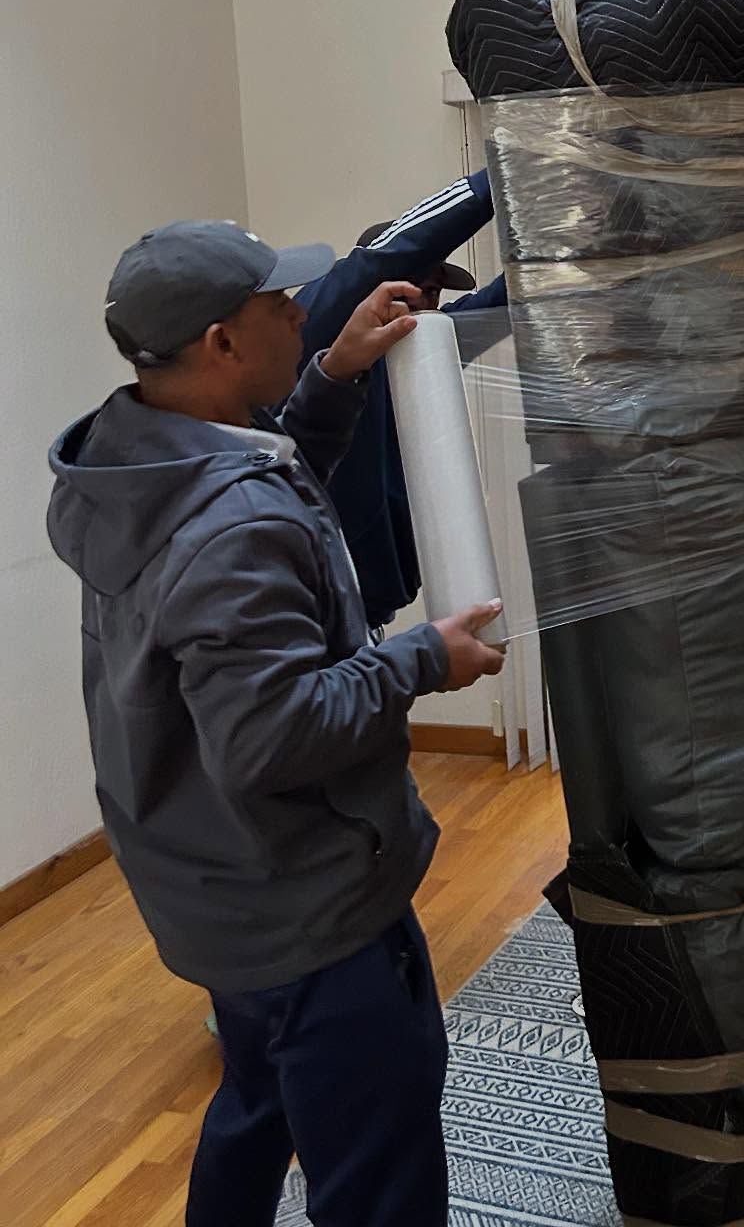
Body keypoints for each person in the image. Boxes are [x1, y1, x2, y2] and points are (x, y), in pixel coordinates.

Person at [47, 219, 506, 1227]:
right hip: (304, 905)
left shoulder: (133, 460)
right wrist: (422, 658)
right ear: (220, 342)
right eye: (279, 306)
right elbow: (273, 737)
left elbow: (262, 475)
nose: (304, 311)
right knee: (375, 1168)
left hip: (210, 885)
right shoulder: (230, 529)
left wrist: (335, 374)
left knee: (257, 1105)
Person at [296, 172, 507, 630]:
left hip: (367, 614)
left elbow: (504, 300)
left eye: (433, 293)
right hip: (319, 609)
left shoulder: (425, 353)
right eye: (413, 289)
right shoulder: (320, 342)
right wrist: (511, 165)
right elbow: (370, 267)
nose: (425, 304)